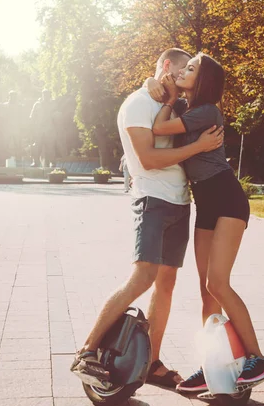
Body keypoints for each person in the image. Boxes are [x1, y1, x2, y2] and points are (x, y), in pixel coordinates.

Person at [70, 48, 224, 388]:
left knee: (165, 285)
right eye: (182, 69)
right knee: (142, 277)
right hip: (152, 200)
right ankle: (87, 352)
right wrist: (199, 147)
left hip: (180, 202)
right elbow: (150, 158)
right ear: (167, 67)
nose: (186, 77)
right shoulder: (139, 103)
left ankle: (151, 362)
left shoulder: (176, 105)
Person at [147, 52, 264, 393]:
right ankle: (211, 365)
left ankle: (257, 358)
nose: (184, 70)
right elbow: (157, 120)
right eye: (183, 67)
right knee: (206, 293)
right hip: (204, 202)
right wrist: (165, 93)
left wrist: (170, 99)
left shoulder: (206, 112)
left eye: (191, 68)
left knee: (218, 283)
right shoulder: (188, 111)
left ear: (203, 81)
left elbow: (158, 127)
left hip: (227, 197)